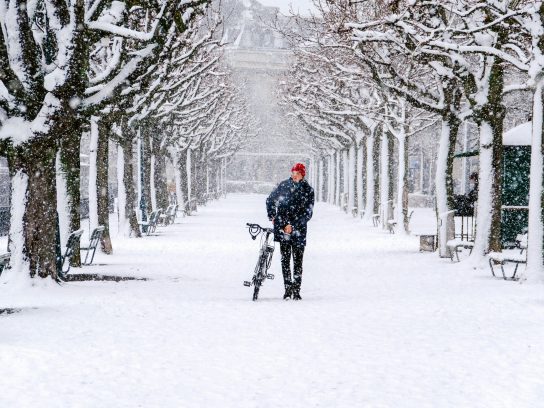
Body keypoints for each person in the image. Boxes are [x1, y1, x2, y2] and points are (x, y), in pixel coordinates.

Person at [266, 163, 314, 300]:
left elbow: (308, 213)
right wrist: (273, 216)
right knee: (285, 260)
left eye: (297, 173)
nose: (294, 175)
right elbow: (270, 200)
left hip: (299, 231)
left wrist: (293, 225)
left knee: (298, 261)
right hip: (283, 229)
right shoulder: (283, 186)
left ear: (302, 174)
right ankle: (287, 288)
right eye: (293, 172)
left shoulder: (308, 190)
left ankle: (296, 290)